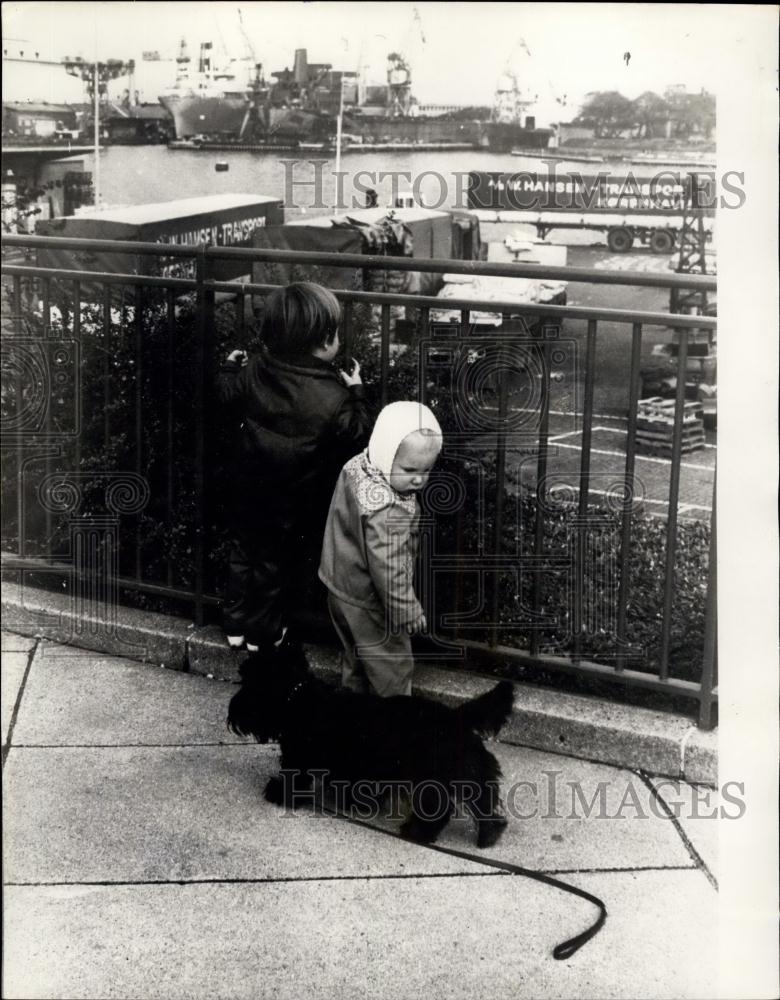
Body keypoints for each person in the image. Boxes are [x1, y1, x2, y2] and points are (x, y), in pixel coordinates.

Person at [217, 282, 371, 653]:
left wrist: (228, 367)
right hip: (290, 495)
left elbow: (225, 394)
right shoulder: (333, 395)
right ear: (324, 342)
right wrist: (357, 391)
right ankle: (263, 632)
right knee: (273, 562)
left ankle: (234, 624)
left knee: (242, 550)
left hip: (246, 484)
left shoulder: (256, 369)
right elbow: (358, 432)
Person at [319, 401, 443, 697]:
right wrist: (407, 609)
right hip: (371, 601)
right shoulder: (388, 510)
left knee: (356, 658)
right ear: (387, 455)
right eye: (409, 469)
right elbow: (389, 566)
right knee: (392, 668)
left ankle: (356, 713)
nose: (419, 479)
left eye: (427, 470)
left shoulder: (358, 467)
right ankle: (397, 721)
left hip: (340, 586)